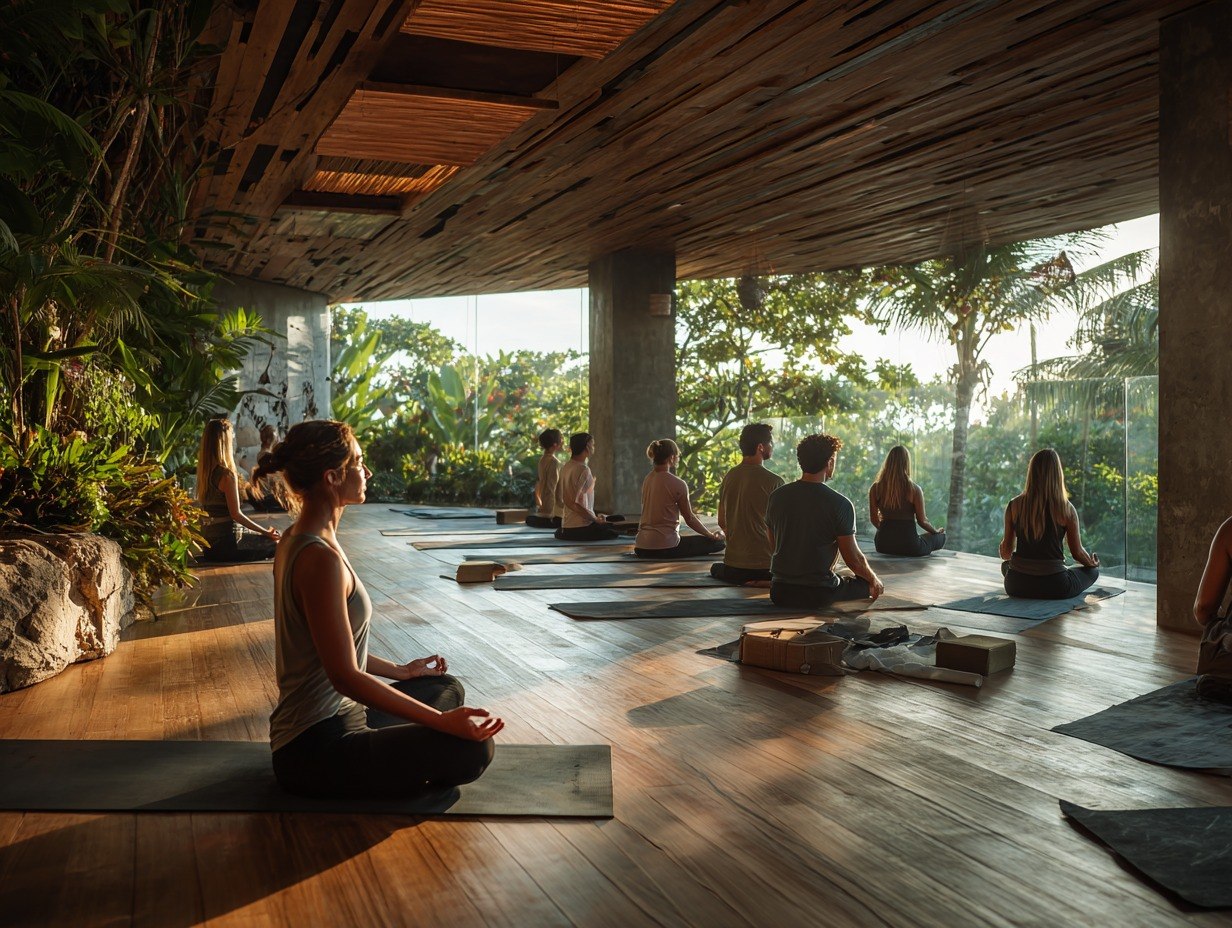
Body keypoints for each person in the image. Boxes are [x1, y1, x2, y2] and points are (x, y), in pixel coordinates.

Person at [251, 419, 502, 798]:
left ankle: (401, 748)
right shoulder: (318, 559)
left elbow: (334, 650)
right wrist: (441, 724)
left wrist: (401, 671)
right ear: (333, 477)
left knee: (444, 687)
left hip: (342, 718)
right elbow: (345, 676)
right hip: (315, 747)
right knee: (472, 747)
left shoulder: (301, 540)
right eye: (358, 462)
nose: (367, 472)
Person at [766, 433, 884, 608]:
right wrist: (873, 579)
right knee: (865, 583)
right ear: (829, 462)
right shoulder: (840, 503)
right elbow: (852, 558)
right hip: (818, 593)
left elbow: (773, 542)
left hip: (779, 591)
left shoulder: (777, 496)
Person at [998, 448, 1100, 599]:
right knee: (1093, 572)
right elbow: (1077, 553)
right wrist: (1091, 564)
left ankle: (1027, 583)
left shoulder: (1014, 505)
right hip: (1055, 586)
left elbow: (1006, 554)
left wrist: (1005, 546)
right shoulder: (1066, 508)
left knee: (1006, 566)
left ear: (1031, 472)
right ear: (1058, 474)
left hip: (1016, 585)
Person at [196, 417, 281, 562]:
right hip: (226, 546)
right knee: (279, 542)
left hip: (209, 547)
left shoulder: (204, 473)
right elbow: (236, 515)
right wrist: (265, 532)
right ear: (225, 442)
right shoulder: (226, 475)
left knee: (268, 538)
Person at [710, 423, 783, 584]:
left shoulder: (729, 476)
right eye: (771, 443)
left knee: (714, 568)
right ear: (760, 447)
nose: (772, 446)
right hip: (766, 567)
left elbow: (722, 521)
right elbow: (784, 529)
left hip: (733, 567)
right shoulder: (775, 482)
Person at [633, 439, 725, 559]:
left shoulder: (648, 480)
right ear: (671, 458)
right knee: (718, 544)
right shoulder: (678, 484)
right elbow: (689, 518)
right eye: (677, 456)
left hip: (641, 547)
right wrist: (710, 535)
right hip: (666, 547)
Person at [868, 445, 946, 557]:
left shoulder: (875, 488)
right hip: (910, 546)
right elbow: (922, 521)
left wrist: (888, 533)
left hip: (883, 545)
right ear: (906, 463)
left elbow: (874, 519)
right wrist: (935, 532)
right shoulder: (914, 489)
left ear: (888, 462)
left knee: (923, 537)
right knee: (942, 537)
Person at [555, 432, 621, 541]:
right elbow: (573, 503)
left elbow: (566, 499)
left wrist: (595, 516)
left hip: (567, 526)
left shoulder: (566, 467)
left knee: (617, 519)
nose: (594, 447)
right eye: (593, 444)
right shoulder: (583, 469)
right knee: (614, 532)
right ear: (587, 447)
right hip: (581, 527)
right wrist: (595, 519)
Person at [526, 428, 564, 529]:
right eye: (561, 438)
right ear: (555, 444)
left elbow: (541, 484)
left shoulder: (542, 460)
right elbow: (552, 487)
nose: (563, 441)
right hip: (551, 509)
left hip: (544, 505)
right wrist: (551, 511)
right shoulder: (554, 462)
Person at [248, 424, 287, 512]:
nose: (277, 437)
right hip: (269, 496)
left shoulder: (267, 455)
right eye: (275, 435)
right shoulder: (266, 456)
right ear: (269, 439)